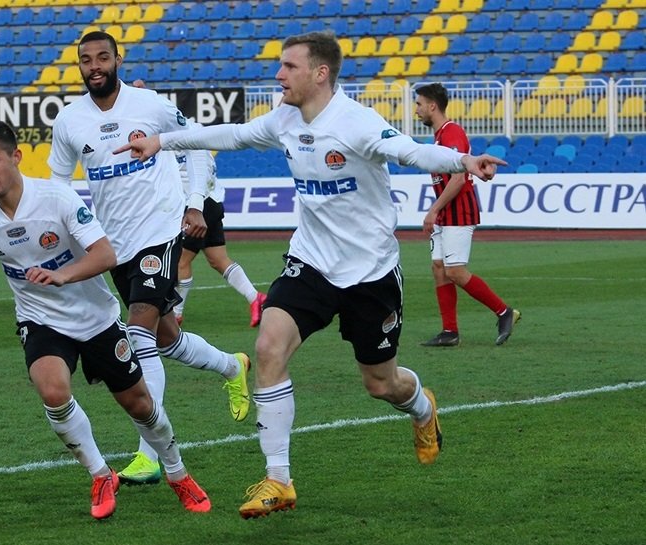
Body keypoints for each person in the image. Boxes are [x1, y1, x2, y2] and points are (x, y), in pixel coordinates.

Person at [114, 31, 507, 519]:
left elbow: (411, 151)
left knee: (382, 384)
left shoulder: (357, 122)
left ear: (320, 73)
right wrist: (161, 142)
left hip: (369, 272)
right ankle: (279, 480)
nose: (279, 74)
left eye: (289, 66)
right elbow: (231, 135)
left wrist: (462, 160)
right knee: (268, 347)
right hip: (312, 263)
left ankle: (423, 408)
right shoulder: (284, 119)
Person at [0, 121, 211, 520]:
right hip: (40, 320)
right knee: (52, 391)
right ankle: (100, 474)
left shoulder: (56, 198)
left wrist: (63, 275)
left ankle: (178, 473)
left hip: (96, 319)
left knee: (140, 404)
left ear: (16, 157)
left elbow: (105, 254)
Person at [47, 31, 251, 487]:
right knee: (165, 339)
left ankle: (151, 453)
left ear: (118, 59)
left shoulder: (150, 104)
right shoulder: (69, 120)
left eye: (103, 57)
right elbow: (58, 184)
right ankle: (232, 366)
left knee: (138, 332)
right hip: (114, 244)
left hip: (160, 231)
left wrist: (194, 203)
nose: (95, 66)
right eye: (86, 59)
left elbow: (195, 143)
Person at [132, 79, 267, 328]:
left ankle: (177, 314)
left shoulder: (174, 135)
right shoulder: (191, 129)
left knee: (181, 261)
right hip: (211, 202)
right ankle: (255, 298)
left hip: (197, 206)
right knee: (218, 259)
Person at [415, 83, 521, 347]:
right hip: (446, 213)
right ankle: (449, 331)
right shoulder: (439, 137)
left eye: (419, 104)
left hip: (458, 211)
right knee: (438, 268)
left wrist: (433, 209)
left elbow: (458, 179)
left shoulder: (451, 133)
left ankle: (504, 312)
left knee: (455, 271)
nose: (416, 109)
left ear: (432, 106)